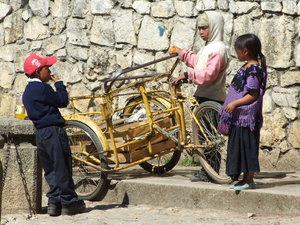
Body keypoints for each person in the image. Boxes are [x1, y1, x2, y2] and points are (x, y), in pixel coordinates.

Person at [22, 53, 86, 216]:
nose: (49, 71)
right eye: (46, 68)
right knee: (62, 166)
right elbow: (62, 101)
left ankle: (54, 201)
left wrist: (55, 118)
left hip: (41, 134)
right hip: (54, 133)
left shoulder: (27, 92)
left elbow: (42, 111)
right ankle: (68, 202)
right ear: (38, 72)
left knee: (50, 169)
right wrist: (59, 84)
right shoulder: (43, 88)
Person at [170, 11, 229, 182]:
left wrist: (187, 76)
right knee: (204, 136)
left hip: (212, 97)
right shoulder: (208, 48)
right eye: (199, 28)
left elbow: (208, 74)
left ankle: (209, 172)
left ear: (215, 27)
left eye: (205, 28)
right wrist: (182, 53)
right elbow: (198, 62)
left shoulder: (218, 49)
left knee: (209, 137)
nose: (201, 32)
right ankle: (208, 171)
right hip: (204, 96)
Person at [219, 33, 267, 190]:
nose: (237, 53)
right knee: (240, 148)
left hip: (247, 117)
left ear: (245, 51)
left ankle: (249, 180)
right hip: (239, 117)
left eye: (237, 50)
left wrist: (234, 104)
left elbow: (253, 95)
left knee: (248, 149)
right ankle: (244, 179)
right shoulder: (247, 67)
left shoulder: (254, 70)